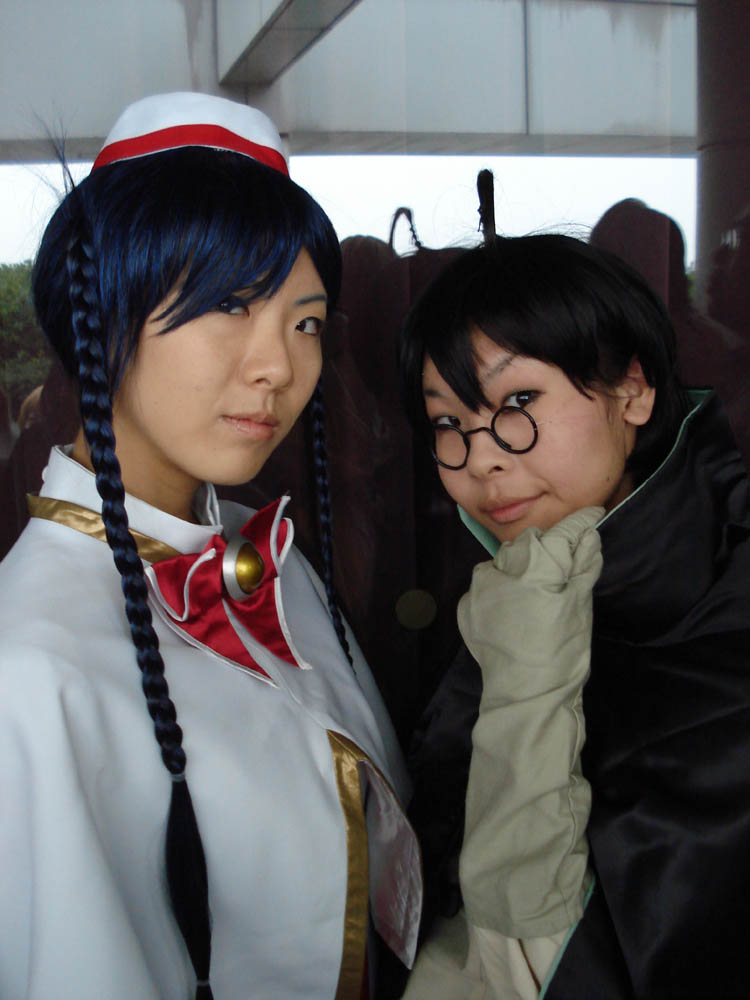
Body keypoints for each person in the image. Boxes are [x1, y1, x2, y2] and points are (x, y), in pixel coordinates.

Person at [0, 92, 421, 1000]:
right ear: (99, 313)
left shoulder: (268, 557)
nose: (279, 367)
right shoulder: (30, 672)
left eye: (306, 322)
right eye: (230, 303)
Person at [398, 234, 750, 998]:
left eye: (518, 401)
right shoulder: (511, 599)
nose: (481, 458)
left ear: (633, 391)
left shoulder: (719, 606)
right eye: (447, 424)